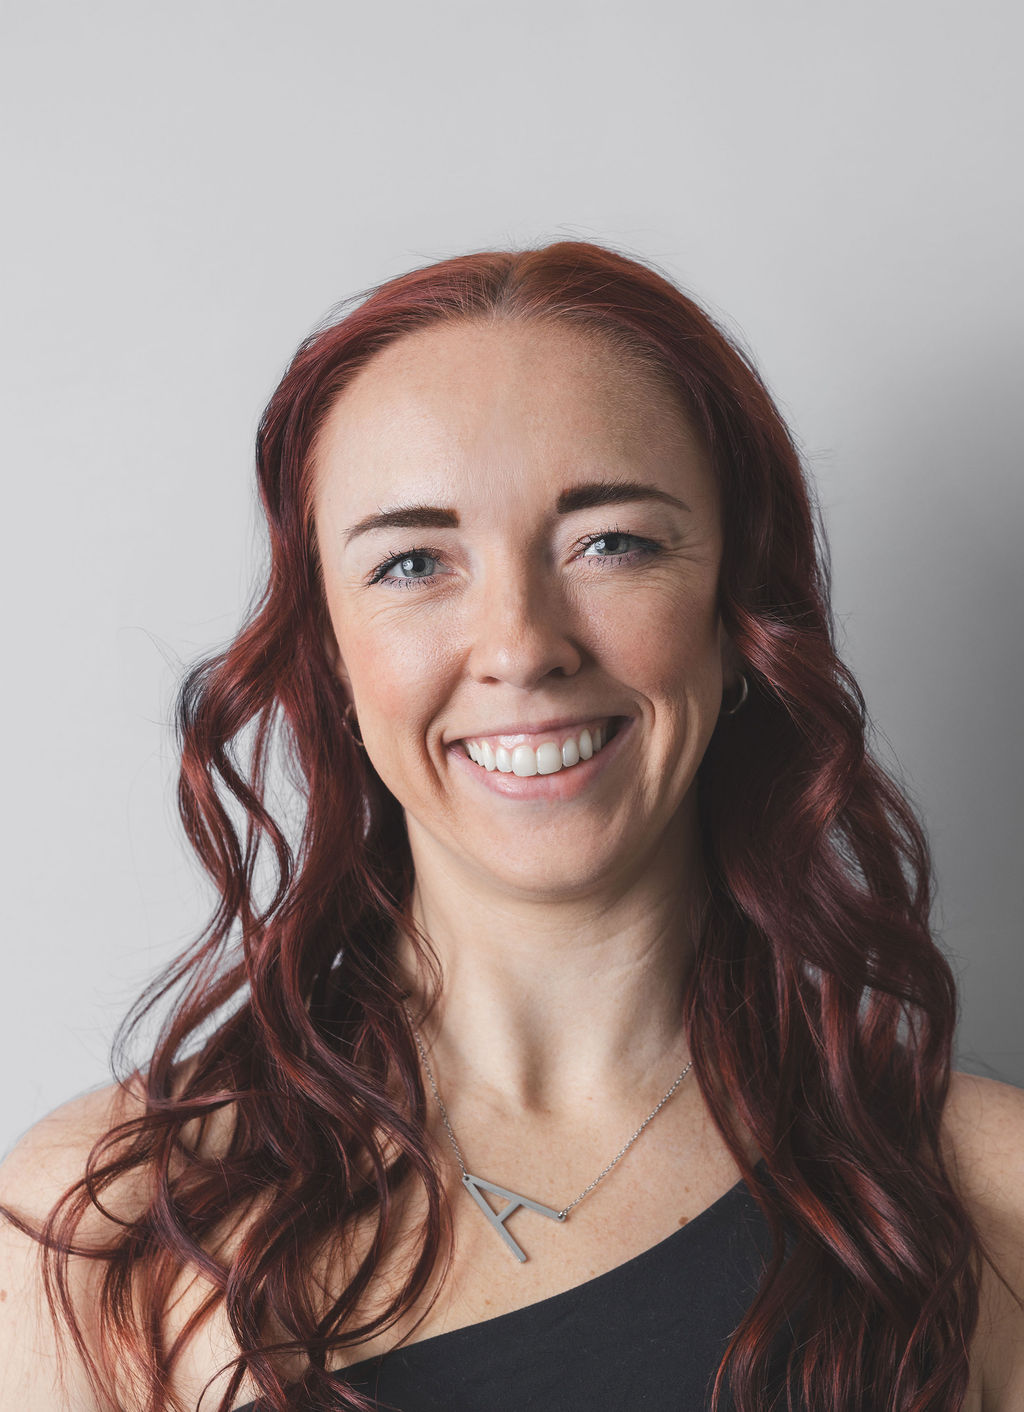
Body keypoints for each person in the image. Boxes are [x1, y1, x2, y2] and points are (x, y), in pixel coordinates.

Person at [1, 240, 1022, 1412]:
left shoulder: (991, 1205)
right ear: (328, 653)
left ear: (739, 609)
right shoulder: (102, 1226)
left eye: (611, 542)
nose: (522, 644)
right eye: (415, 562)